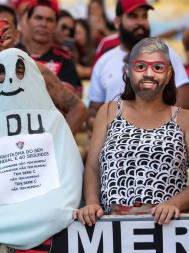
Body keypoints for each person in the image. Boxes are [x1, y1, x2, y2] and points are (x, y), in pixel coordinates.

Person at [75, 37, 189, 226]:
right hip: (112, 229)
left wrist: (173, 204)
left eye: (158, 68)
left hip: (168, 230)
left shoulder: (184, 119)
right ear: (127, 71)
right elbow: (93, 167)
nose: (149, 74)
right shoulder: (109, 111)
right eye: (141, 67)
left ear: (168, 74)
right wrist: (92, 203)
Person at [0, 4, 87, 135]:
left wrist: (55, 145)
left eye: (4, 29)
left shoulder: (34, 69)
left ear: (17, 36)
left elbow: (77, 109)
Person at [87, 0, 189, 131]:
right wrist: (106, 130)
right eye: (133, 16)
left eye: (144, 16)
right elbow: (94, 109)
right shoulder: (104, 61)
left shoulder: (166, 52)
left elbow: (184, 97)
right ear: (117, 22)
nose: (140, 22)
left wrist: (161, 131)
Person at [17, 0, 83, 96]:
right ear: (27, 20)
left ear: (56, 25)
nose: (43, 24)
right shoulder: (11, 53)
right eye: (38, 18)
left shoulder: (64, 61)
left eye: (49, 20)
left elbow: (65, 103)